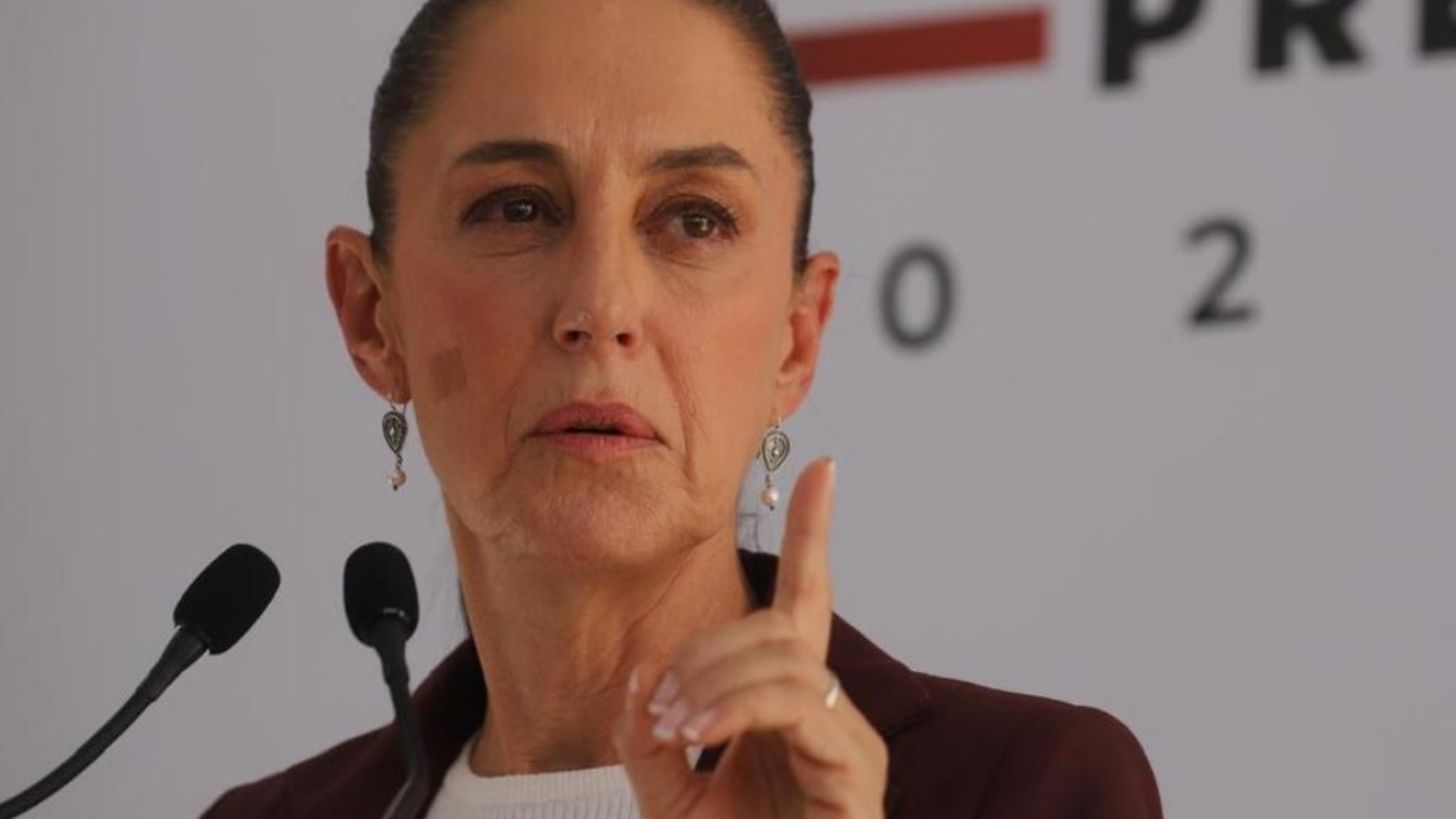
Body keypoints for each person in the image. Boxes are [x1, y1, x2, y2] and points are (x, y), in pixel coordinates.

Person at [204, 0, 1163, 816]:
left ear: (796, 339)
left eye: (694, 219)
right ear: (373, 317)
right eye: (517, 208)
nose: (601, 308)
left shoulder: (1032, 786)